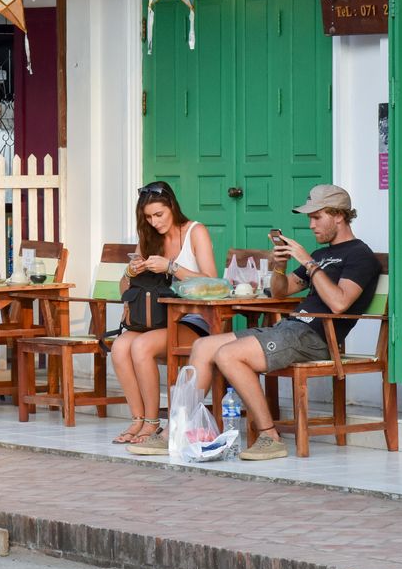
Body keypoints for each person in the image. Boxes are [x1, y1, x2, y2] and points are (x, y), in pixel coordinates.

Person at [186, 184, 381, 460]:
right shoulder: (322, 255)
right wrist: (279, 266)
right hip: (289, 329)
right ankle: (184, 428)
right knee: (203, 346)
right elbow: (281, 290)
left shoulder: (360, 255)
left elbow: (339, 303)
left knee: (228, 355)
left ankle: (269, 436)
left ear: (339, 215)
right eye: (309, 218)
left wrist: (308, 262)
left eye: (317, 217)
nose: (311, 225)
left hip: (316, 337)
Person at [111, 181, 216, 450]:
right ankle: (140, 419)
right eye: (148, 217)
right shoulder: (149, 238)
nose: (154, 222)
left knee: (141, 346)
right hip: (156, 319)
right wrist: (130, 272)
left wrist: (171, 266)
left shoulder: (195, 231)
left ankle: (153, 421)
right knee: (120, 346)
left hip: (192, 320)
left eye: (159, 215)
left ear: (172, 207)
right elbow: (125, 289)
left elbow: (212, 281)